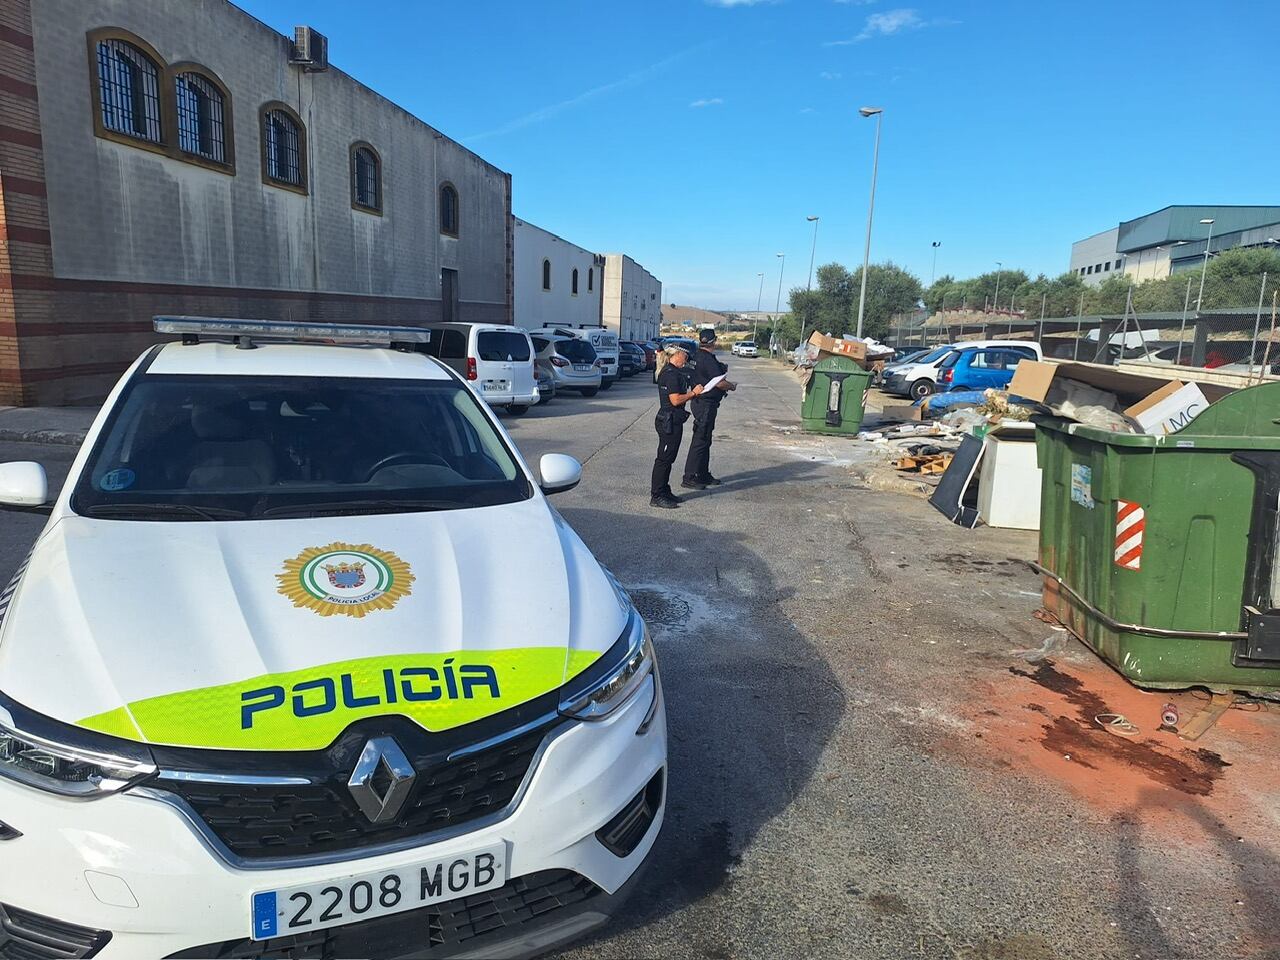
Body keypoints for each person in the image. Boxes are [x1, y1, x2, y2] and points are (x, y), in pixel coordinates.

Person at [682, 328, 735, 490]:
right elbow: (719, 382)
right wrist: (731, 386)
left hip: (700, 402)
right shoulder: (708, 359)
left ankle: (702, 474)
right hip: (705, 404)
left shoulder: (696, 356)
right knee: (700, 440)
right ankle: (689, 477)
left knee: (705, 440)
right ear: (714, 341)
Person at [650, 345, 702, 509]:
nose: (686, 359)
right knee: (663, 459)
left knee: (669, 458)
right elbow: (675, 400)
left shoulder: (672, 372)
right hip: (668, 421)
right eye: (685, 356)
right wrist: (694, 393)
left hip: (672, 420)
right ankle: (657, 495)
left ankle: (664, 490)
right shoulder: (670, 374)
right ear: (676, 355)